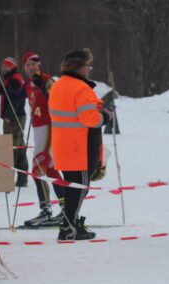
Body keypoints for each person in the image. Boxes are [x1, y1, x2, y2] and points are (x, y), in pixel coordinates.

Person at [49, 48, 112, 241]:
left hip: (64, 146)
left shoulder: (58, 86)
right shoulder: (81, 88)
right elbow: (89, 118)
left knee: (72, 187)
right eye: (88, 65)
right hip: (80, 148)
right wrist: (105, 117)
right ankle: (68, 227)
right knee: (80, 187)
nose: (89, 69)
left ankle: (72, 223)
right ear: (79, 67)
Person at [21, 51, 67, 228]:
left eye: (34, 64)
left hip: (48, 127)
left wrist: (45, 90)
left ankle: (51, 209)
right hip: (37, 129)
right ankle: (58, 208)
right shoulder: (28, 84)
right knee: (47, 169)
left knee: (39, 167)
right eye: (27, 65)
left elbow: (58, 100)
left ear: (39, 65)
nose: (31, 67)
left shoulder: (47, 80)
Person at [0, 56, 29, 187]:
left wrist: (8, 115)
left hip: (14, 117)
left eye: (5, 66)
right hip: (16, 116)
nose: (3, 68)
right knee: (18, 146)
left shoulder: (15, 79)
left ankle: (13, 178)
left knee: (13, 147)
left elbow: (15, 100)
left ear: (11, 67)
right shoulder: (12, 78)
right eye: (3, 66)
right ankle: (22, 178)